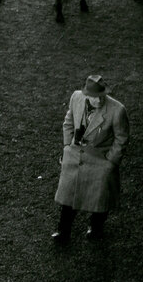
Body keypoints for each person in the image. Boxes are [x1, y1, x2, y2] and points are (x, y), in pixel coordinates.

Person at [52, 74, 130, 244]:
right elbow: (68, 122)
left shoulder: (117, 110)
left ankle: (96, 229)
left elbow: (121, 139)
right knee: (68, 198)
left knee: (100, 198)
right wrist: (67, 147)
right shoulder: (76, 98)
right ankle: (63, 232)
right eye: (95, 98)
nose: (99, 101)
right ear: (86, 95)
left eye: (102, 96)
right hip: (74, 155)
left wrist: (110, 162)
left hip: (100, 159)